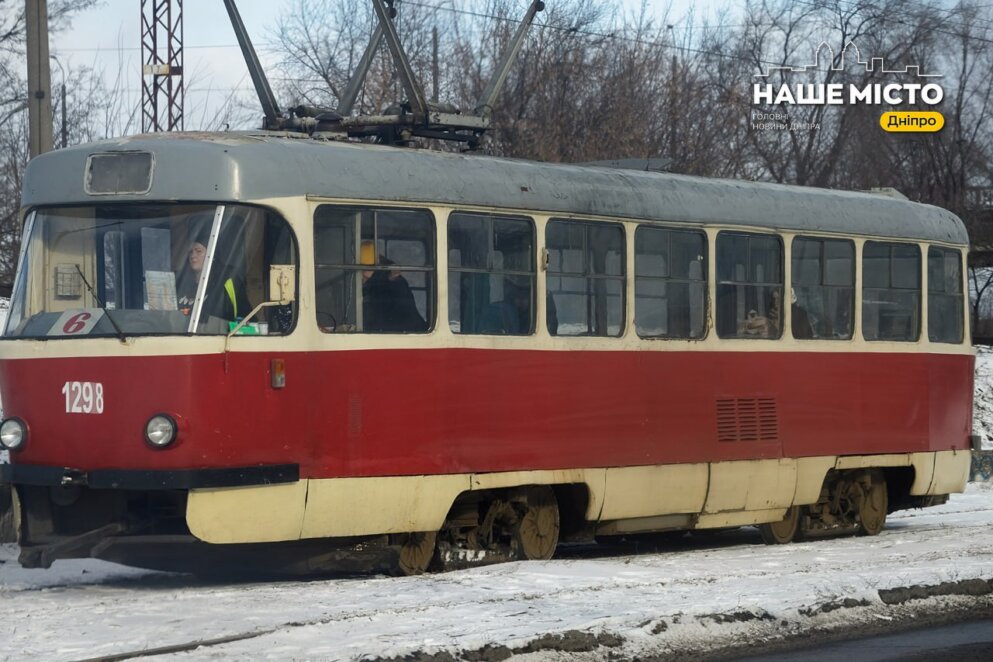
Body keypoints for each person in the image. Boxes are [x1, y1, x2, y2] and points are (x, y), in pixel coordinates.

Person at [177, 227, 251, 323]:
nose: (193, 255)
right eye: (190, 252)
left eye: (198, 251)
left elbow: (246, 319)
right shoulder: (181, 282)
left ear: (211, 255)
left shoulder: (227, 282)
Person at [360, 240, 427, 333]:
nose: (361, 277)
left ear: (375, 267)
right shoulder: (383, 279)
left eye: (364, 270)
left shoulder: (392, 282)